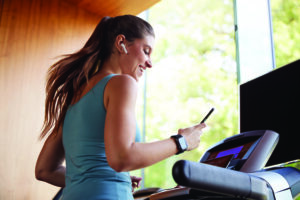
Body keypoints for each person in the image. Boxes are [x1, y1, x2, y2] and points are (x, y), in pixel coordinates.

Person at [35, 15, 206, 200]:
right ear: (121, 42)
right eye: (146, 51)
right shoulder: (122, 83)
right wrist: (182, 141)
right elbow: (121, 158)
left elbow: (45, 169)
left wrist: (108, 178)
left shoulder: (76, 94)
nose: (150, 62)